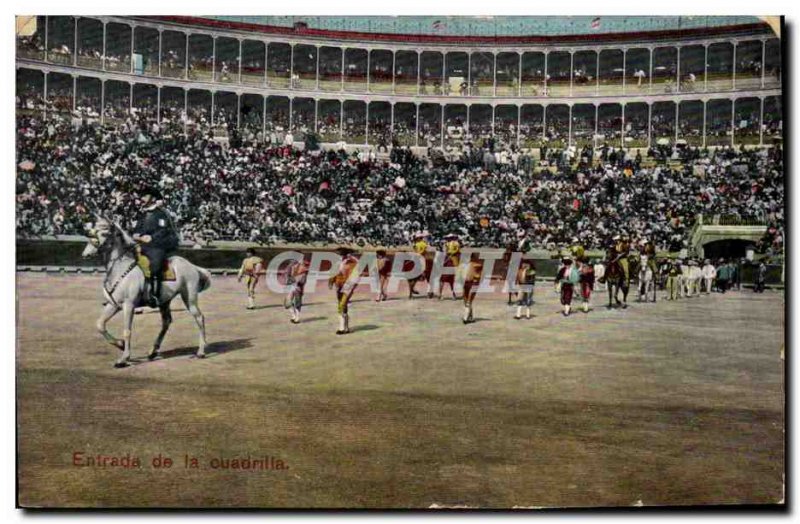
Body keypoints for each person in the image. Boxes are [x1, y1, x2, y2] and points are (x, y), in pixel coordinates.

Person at [133, 187, 180, 308]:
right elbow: (137, 230)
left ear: (153, 198)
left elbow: (163, 230)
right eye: (141, 196)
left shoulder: (161, 213)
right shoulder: (142, 214)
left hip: (157, 245)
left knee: (155, 265)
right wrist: (137, 235)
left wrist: (151, 238)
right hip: (141, 244)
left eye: (145, 196)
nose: (142, 198)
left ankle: (154, 295)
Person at [329, 246, 360, 335]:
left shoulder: (352, 262)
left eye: (341, 254)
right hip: (339, 285)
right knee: (342, 305)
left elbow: (355, 275)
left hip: (347, 285)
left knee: (342, 305)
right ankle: (346, 328)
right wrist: (331, 282)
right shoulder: (339, 262)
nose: (340, 256)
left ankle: (341, 328)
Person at [285, 255, 310, 323]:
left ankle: (297, 317)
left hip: (298, 286)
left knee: (297, 302)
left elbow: (303, 279)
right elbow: (288, 276)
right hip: (292, 286)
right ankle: (294, 316)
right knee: (288, 302)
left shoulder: (303, 267)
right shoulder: (291, 266)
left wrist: (296, 282)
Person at [462, 251, 484, 324]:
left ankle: (468, 317)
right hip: (472, 283)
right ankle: (468, 317)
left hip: (468, 283)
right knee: (468, 301)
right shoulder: (478, 265)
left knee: (467, 301)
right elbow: (481, 276)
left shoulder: (465, 265)